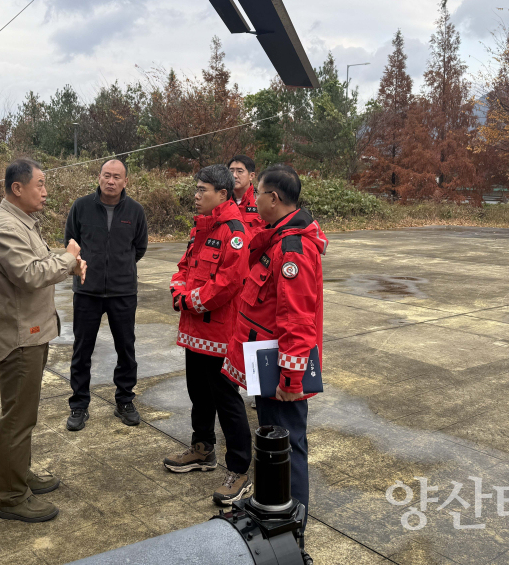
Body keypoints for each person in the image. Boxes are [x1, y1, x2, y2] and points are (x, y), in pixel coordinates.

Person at [222, 164, 326, 560]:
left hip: (278, 367)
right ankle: (275, 516)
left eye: (258, 194)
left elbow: (297, 320)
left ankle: (293, 533)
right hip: (264, 358)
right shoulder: (278, 239)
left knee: (287, 447)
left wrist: (290, 375)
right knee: (272, 443)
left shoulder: (292, 249)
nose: (253, 201)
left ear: (275, 199)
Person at [0, 158, 88, 523]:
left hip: (31, 331)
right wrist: (69, 259)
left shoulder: (21, 222)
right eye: (39, 185)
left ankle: (19, 474)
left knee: (24, 416)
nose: (45, 192)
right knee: (17, 418)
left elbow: (40, 263)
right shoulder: (4, 226)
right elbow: (29, 274)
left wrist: (66, 261)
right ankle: (12, 497)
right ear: (17, 188)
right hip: (19, 337)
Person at [164, 165, 253, 505]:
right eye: (196, 189)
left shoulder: (234, 231)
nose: (196, 195)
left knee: (226, 401)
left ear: (223, 194)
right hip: (194, 329)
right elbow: (184, 267)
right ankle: (202, 449)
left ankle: (240, 469)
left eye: (203, 190)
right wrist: (179, 290)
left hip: (219, 332)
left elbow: (229, 282)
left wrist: (191, 300)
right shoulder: (201, 228)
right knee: (198, 393)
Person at [65, 159, 148, 430]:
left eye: (116, 177)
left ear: (125, 182)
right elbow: (72, 243)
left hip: (122, 292)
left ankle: (124, 400)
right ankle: (79, 405)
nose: (110, 181)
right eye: (106, 175)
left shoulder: (135, 211)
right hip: (87, 291)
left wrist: (119, 268)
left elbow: (139, 247)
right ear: (98, 177)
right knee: (82, 350)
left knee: (126, 349)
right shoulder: (81, 206)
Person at [228, 155, 266, 237]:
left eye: (239, 171)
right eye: (231, 171)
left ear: (251, 176)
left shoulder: (262, 201)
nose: (234, 175)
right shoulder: (221, 200)